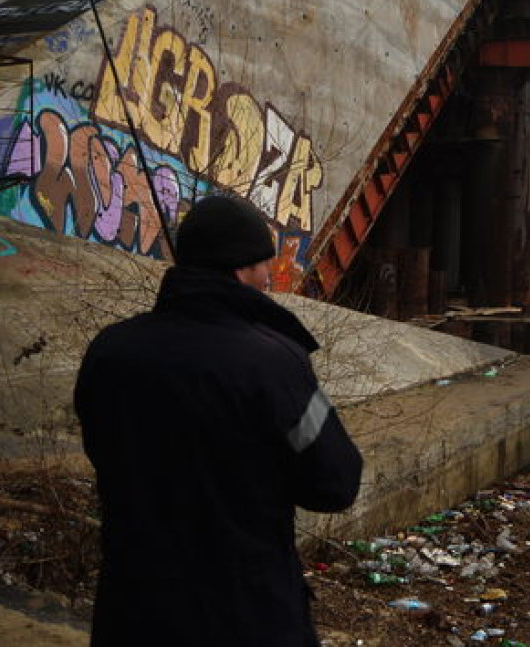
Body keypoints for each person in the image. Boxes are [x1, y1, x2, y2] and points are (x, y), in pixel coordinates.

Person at [74, 193, 362, 646]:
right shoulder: (274, 363)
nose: (269, 278)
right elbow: (335, 484)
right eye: (266, 266)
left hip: (133, 611)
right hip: (245, 613)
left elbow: (104, 450)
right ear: (242, 268)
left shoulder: (109, 351)